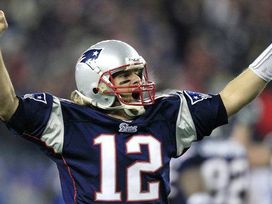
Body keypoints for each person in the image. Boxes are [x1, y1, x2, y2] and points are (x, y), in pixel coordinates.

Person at [0, 10, 271, 204]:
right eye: (124, 76)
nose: (137, 82)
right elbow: (7, 106)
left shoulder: (165, 115)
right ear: (95, 85)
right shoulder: (68, 120)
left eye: (138, 74)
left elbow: (230, 99)